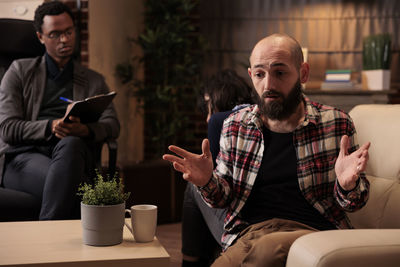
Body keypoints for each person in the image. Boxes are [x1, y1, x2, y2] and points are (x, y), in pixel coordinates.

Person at [163, 33, 370, 267]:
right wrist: (206, 182)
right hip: (247, 234)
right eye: (260, 74)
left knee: (266, 252)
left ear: (303, 73)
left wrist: (347, 186)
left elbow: (354, 203)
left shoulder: (336, 123)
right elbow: (223, 198)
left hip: (314, 232)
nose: (269, 85)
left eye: (280, 73)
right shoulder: (235, 125)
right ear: (251, 75)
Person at [0, 2, 119, 220]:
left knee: (72, 143)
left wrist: (84, 130)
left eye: (68, 32)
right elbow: (7, 128)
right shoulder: (19, 71)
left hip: (72, 155)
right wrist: (52, 126)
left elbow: (112, 125)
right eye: (55, 34)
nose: (64, 39)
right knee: (71, 185)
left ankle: (47, 244)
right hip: (24, 158)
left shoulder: (93, 80)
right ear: (40, 37)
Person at [182, 69, 257, 267]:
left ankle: (190, 263)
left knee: (195, 186)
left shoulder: (223, 121)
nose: (207, 118)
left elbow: (220, 186)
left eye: (209, 106)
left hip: (245, 224)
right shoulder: (264, 114)